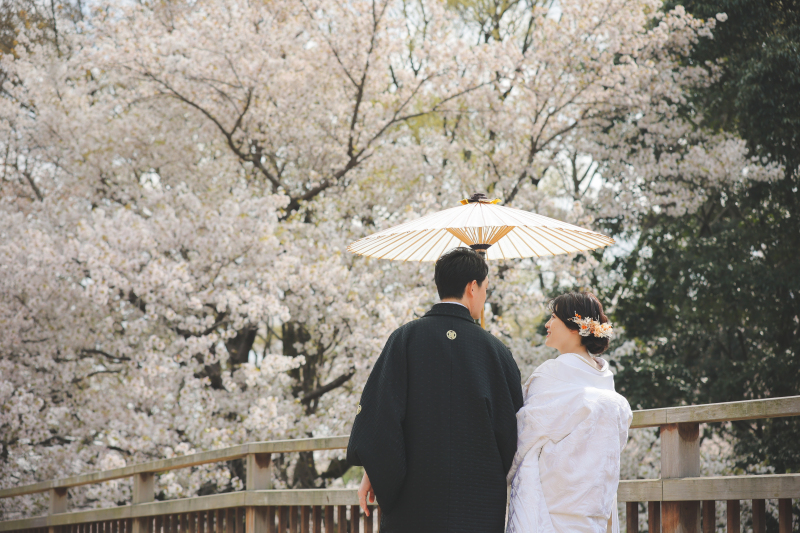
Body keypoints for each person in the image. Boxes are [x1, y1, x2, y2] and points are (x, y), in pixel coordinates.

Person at [346, 247, 524, 533]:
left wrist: (375, 471)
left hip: (414, 500)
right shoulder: (496, 351)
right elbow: (511, 430)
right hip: (476, 501)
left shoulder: (404, 339)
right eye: (486, 288)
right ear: (472, 287)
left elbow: (381, 418)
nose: (485, 297)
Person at [506, 292, 632, 533]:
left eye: (553, 317)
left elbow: (523, 436)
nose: (547, 324)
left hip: (551, 506)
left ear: (575, 327)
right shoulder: (606, 383)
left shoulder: (551, 374)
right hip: (593, 508)